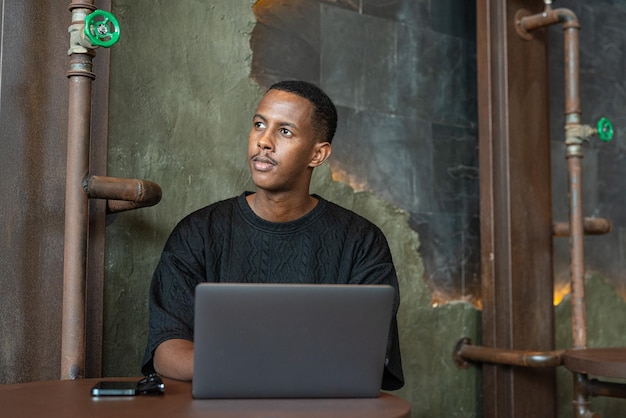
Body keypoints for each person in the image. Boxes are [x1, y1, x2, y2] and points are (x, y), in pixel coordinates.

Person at [141, 80, 404, 390]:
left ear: (317, 155)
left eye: (285, 131)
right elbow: (166, 352)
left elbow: (364, 356)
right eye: (259, 124)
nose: (263, 141)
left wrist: (244, 362)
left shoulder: (361, 242)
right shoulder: (198, 233)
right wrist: (272, 365)